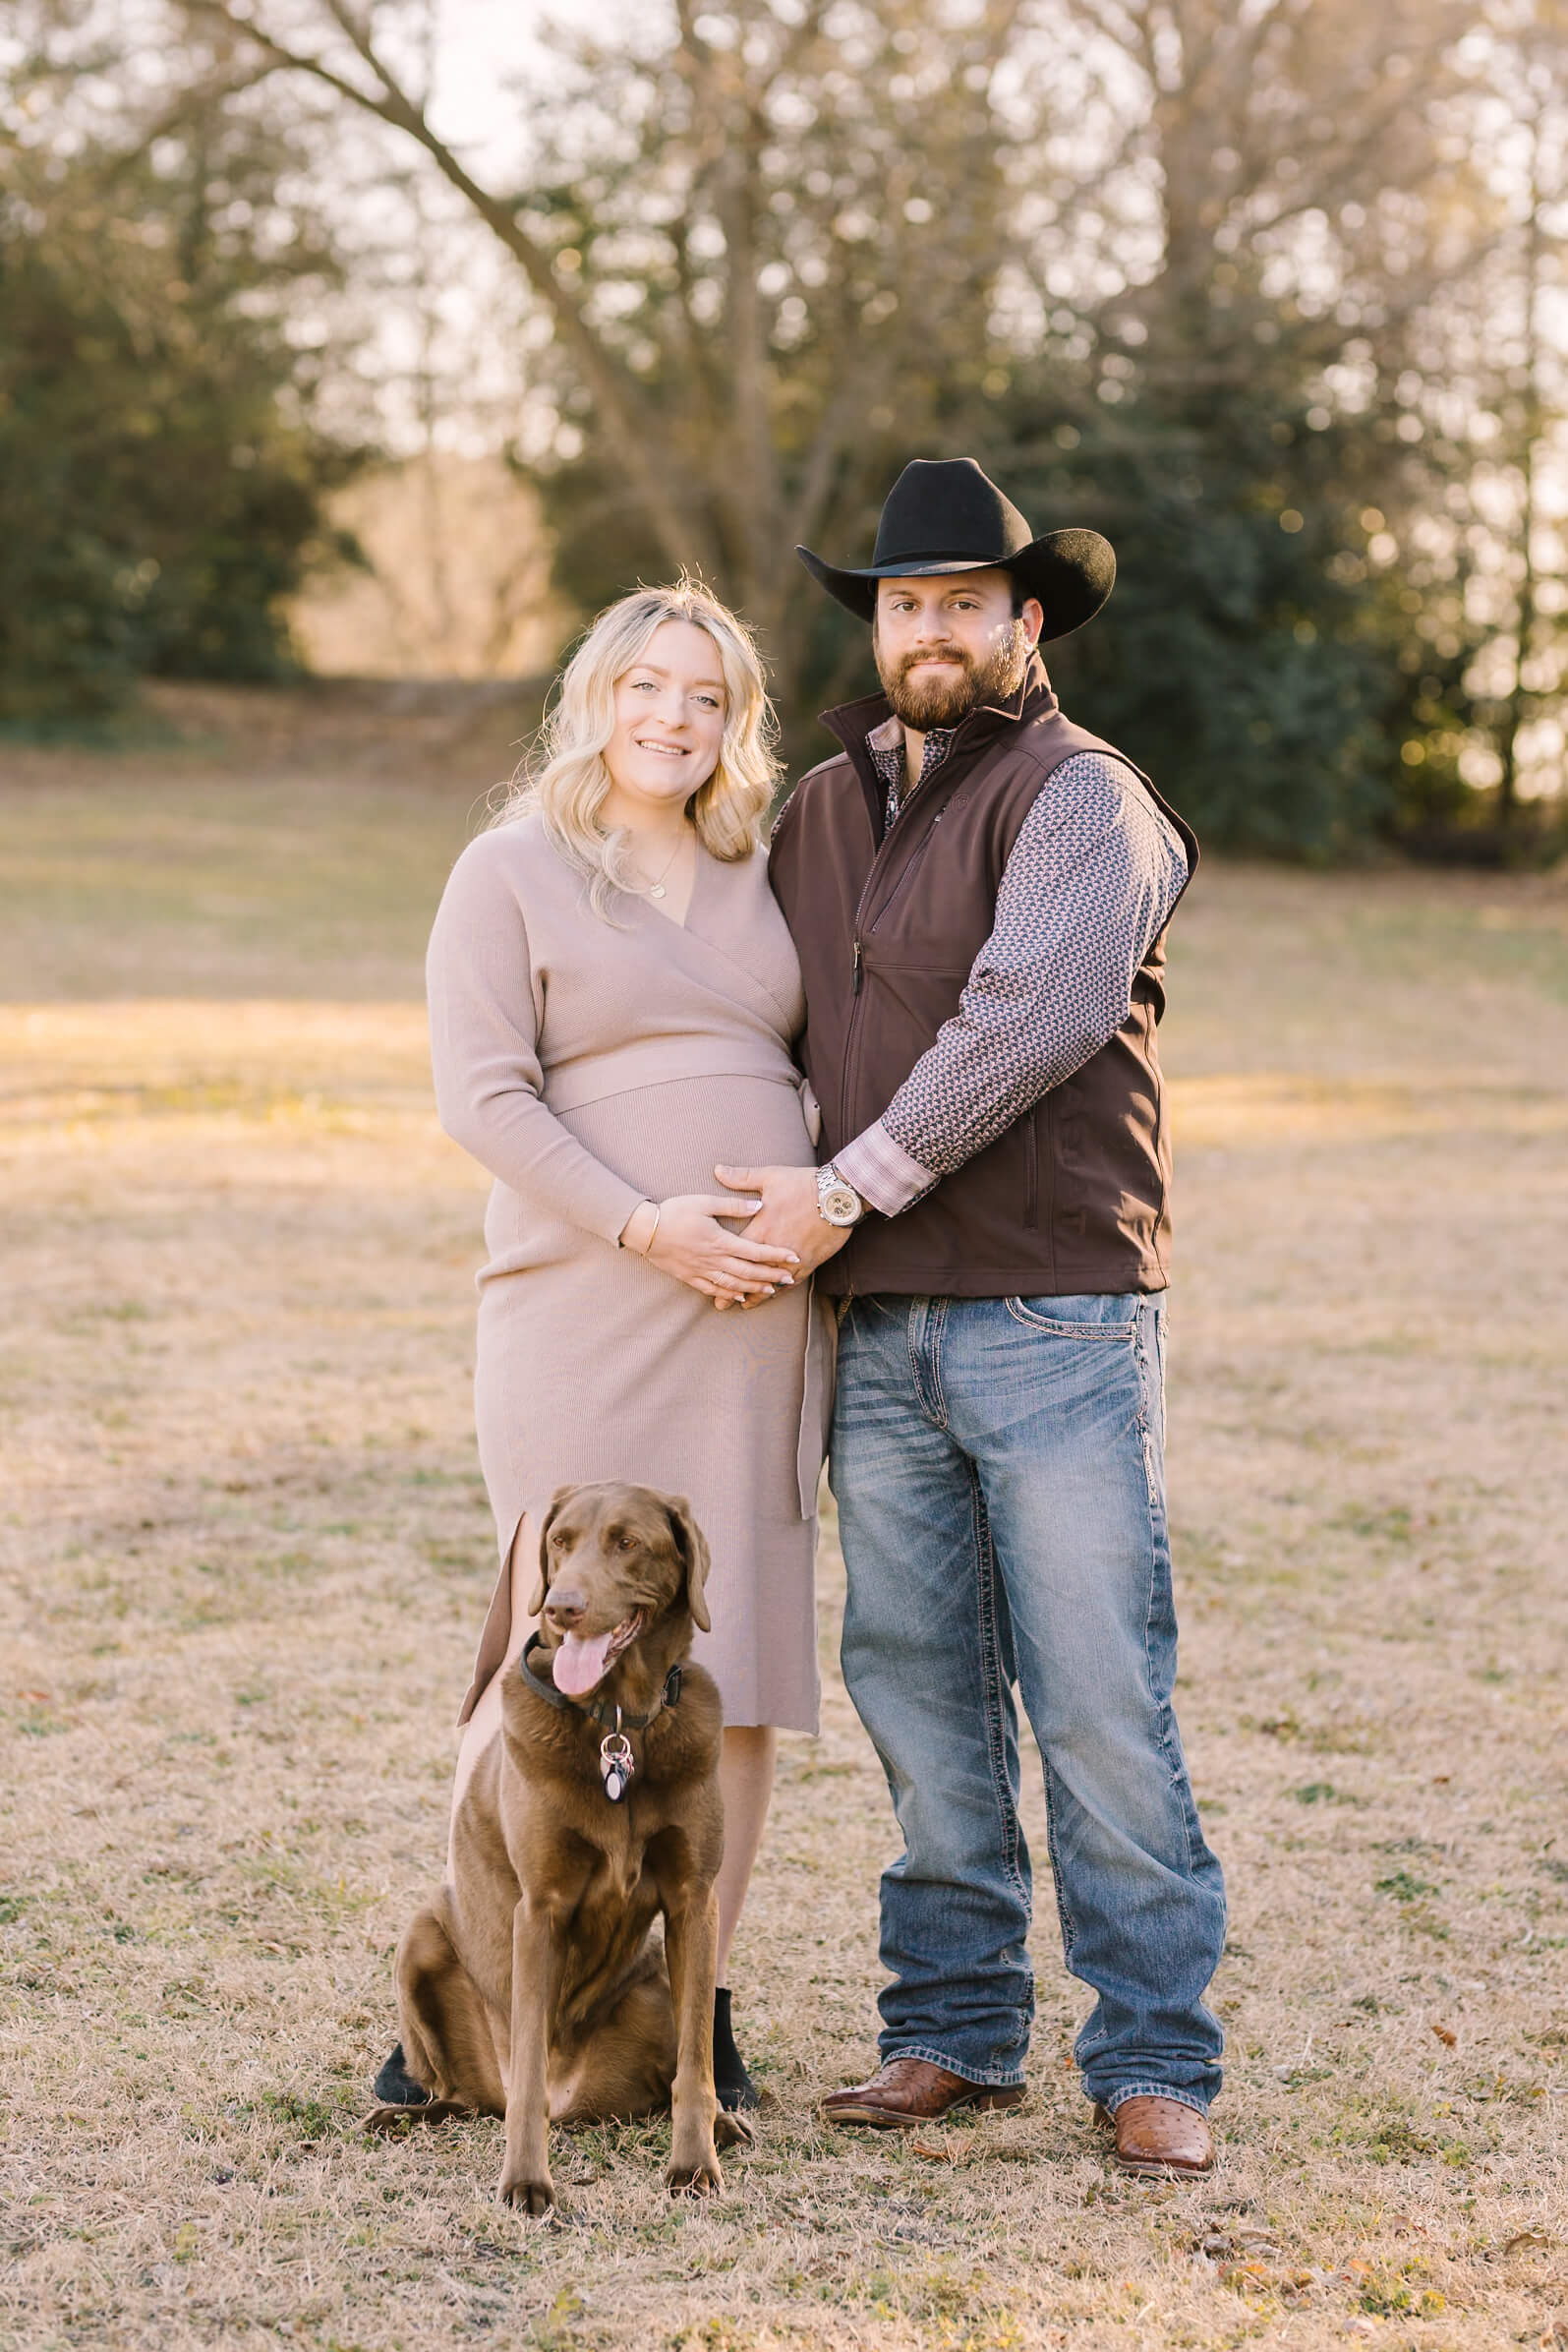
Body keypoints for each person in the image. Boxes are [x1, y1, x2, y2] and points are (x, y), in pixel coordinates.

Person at [717, 458, 1228, 2173]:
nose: (928, 630)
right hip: (871, 1329)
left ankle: (1155, 2057)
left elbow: (1030, 1017)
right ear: (879, 622)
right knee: (919, 1694)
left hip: (1054, 1312)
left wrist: (842, 1186)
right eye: (902, 602)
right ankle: (951, 2026)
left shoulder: (1090, 799)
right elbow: (752, 1016)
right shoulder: (815, 807)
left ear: (1025, 620)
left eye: (961, 602)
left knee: (1096, 1695)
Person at [375, 580, 833, 2114]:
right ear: (595, 697)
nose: (673, 718)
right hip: (584, 1295)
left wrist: (804, 1199)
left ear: (734, 723)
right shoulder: (511, 869)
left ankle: (699, 2003)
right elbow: (483, 1100)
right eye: (646, 686)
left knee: (740, 1650)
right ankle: (480, 1990)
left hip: (754, 1318)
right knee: (544, 1642)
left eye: (706, 697)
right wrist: (653, 1225)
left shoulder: (769, 870)